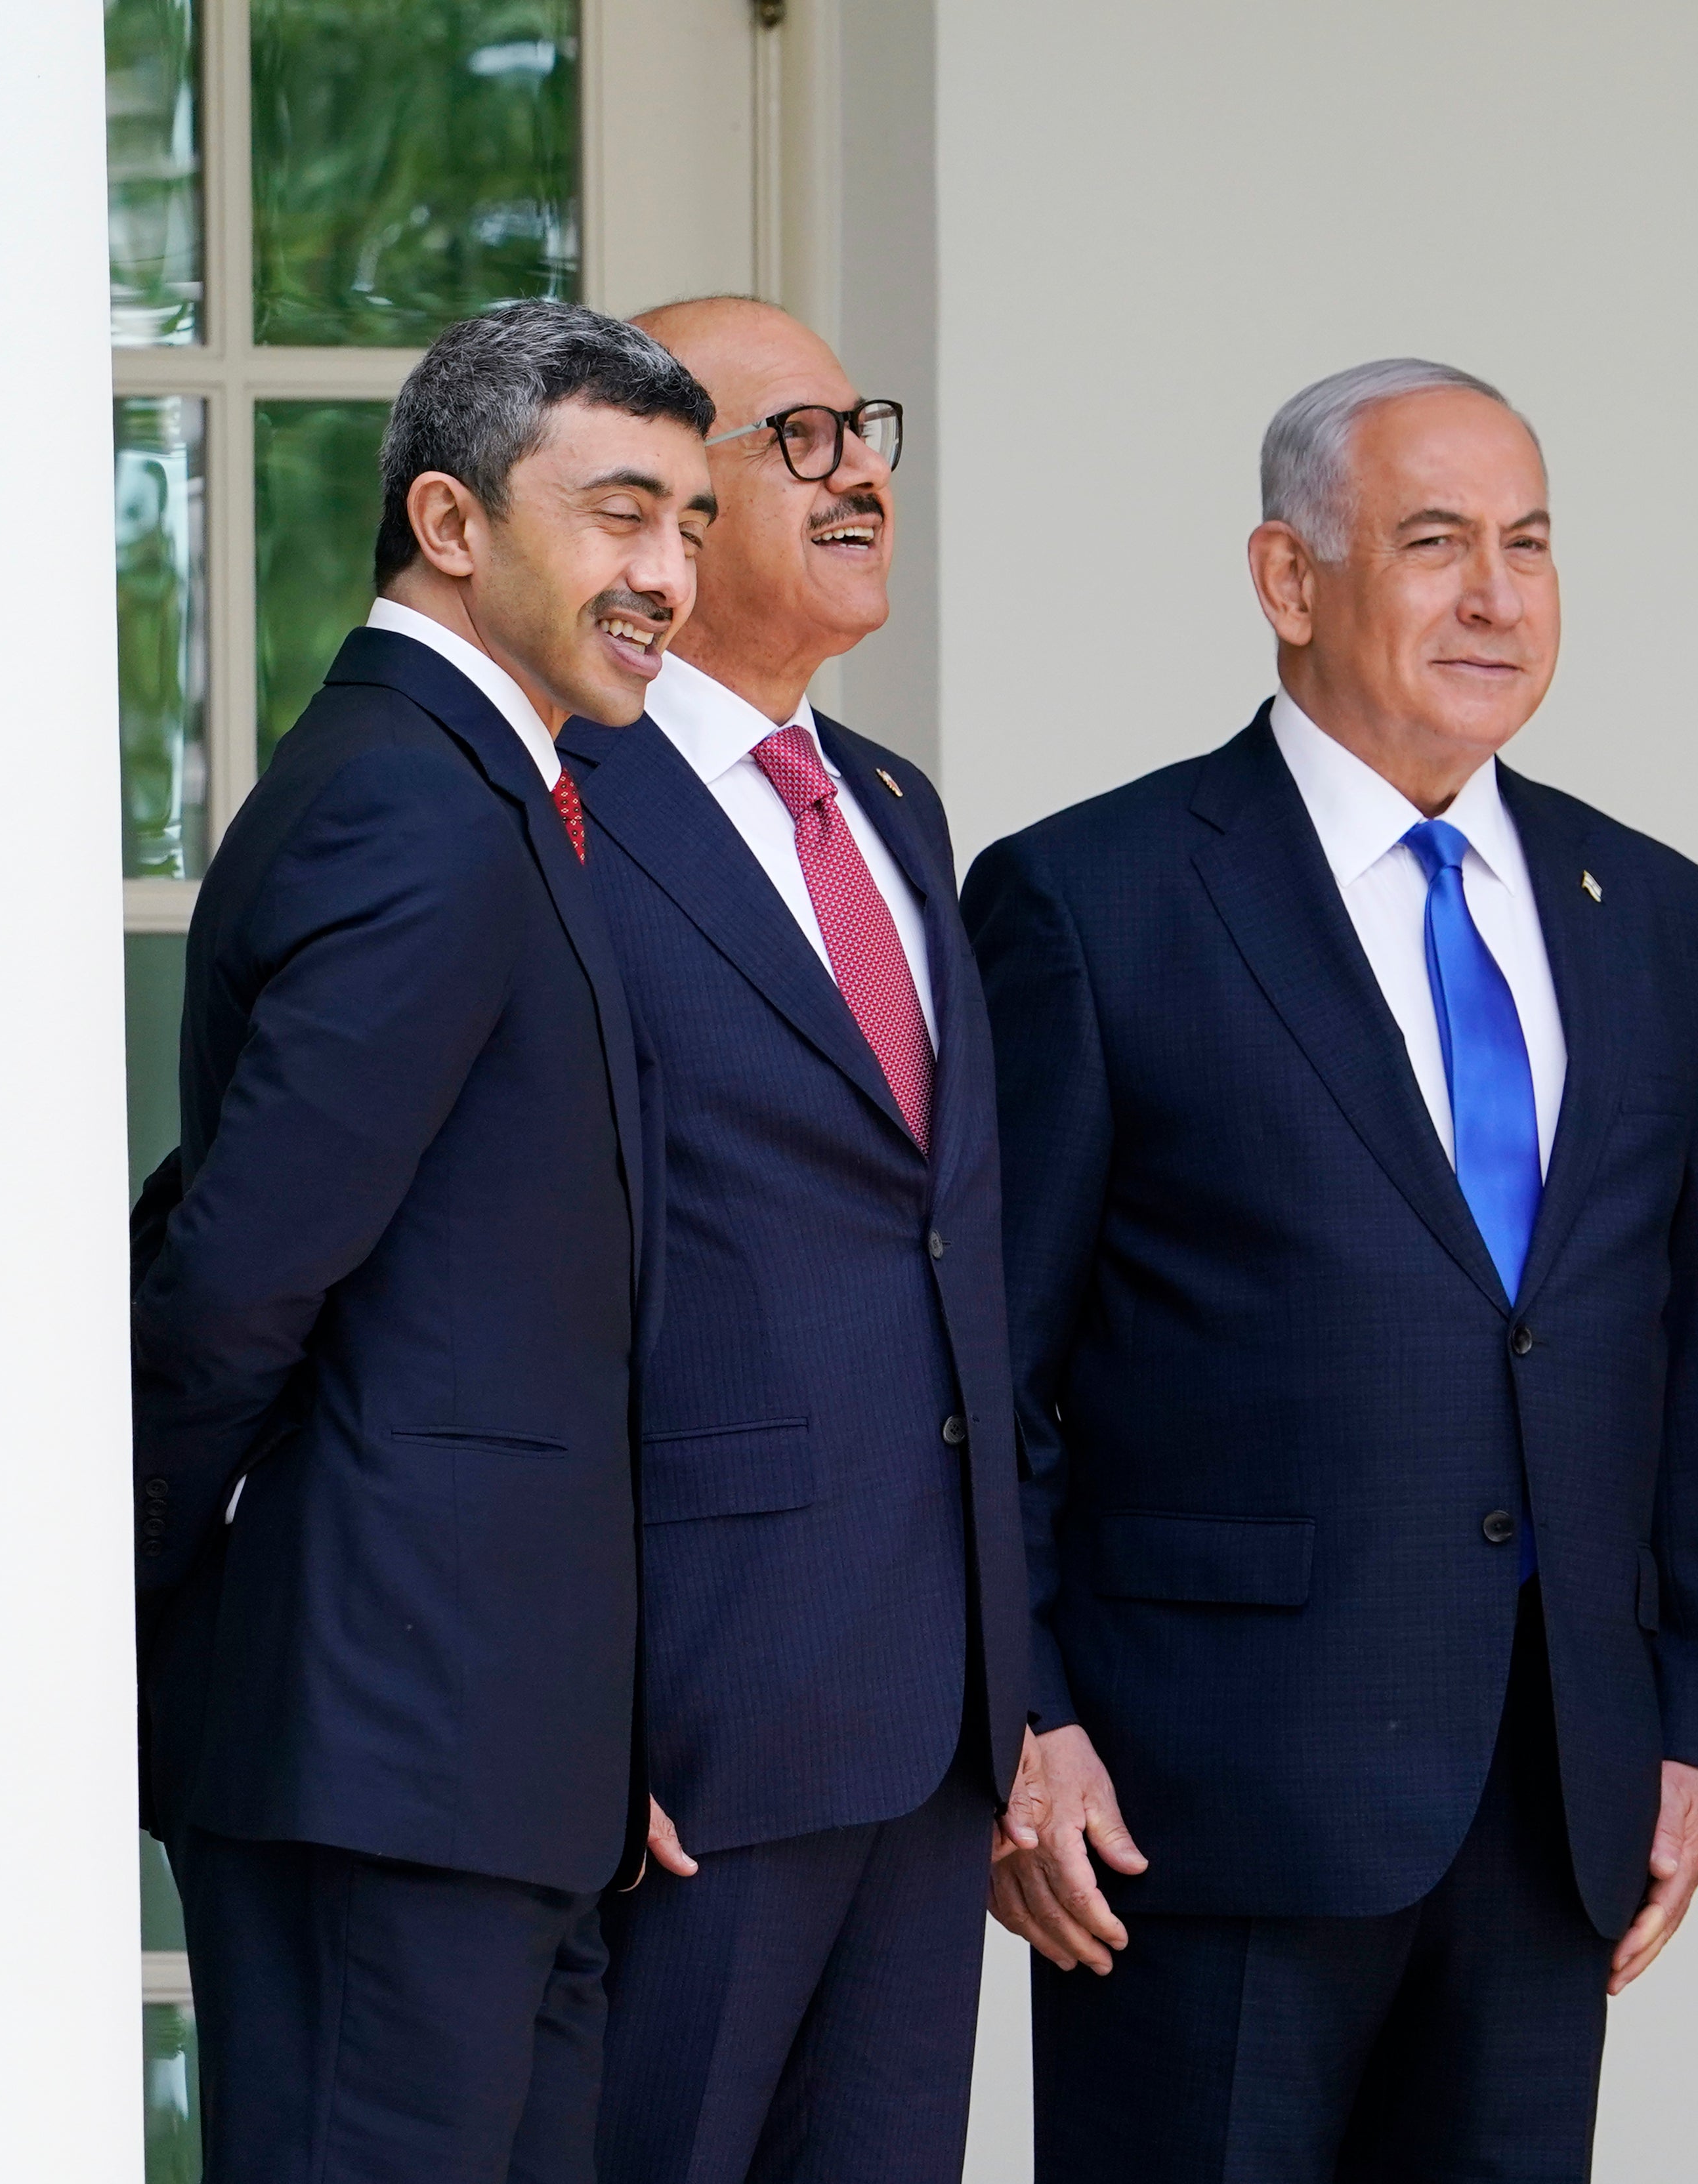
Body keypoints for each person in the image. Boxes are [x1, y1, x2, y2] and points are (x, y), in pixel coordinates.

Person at [963, 358, 1698, 2181]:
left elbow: (1678, 1332)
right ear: (1289, 578)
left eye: (1530, 544)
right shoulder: (1093, 900)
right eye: (1435, 543)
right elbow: (985, 1362)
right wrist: (1021, 1721)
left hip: (1556, 1785)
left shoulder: (1655, 914)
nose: (1498, 595)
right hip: (1200, 1798)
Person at [128, 300, 712, 2183]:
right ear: (451, 524)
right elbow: (239, 1277)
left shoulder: (492, 793)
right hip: (387, 1761)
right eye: (622, 512)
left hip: (487, 1766)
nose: (670, 574)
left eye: (691, 524)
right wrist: (98, 1612)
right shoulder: (413, 803)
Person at [560, 297, 1025, 2184]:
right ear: (666, 511)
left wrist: (1026, 1690)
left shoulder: (895, 806)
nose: (864, 475)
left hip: (928, 1722)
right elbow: (532, 1290)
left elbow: (942, 1251)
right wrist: (587, 1696)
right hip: (696, 1727)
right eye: (802, 439)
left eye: (868, 429)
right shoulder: (564, 796)